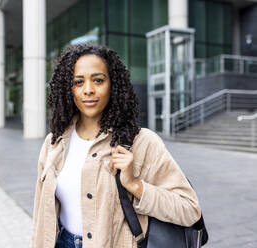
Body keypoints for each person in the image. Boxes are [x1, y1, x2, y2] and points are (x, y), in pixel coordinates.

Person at [31, 44, 201, 248]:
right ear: (69, 89)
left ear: (113, 84)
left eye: (98, 80)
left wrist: (135, 186)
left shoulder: (142, 142)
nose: (88, 90)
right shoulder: (53, 143)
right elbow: (40, 219)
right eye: (78, 82)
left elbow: (189, 210)